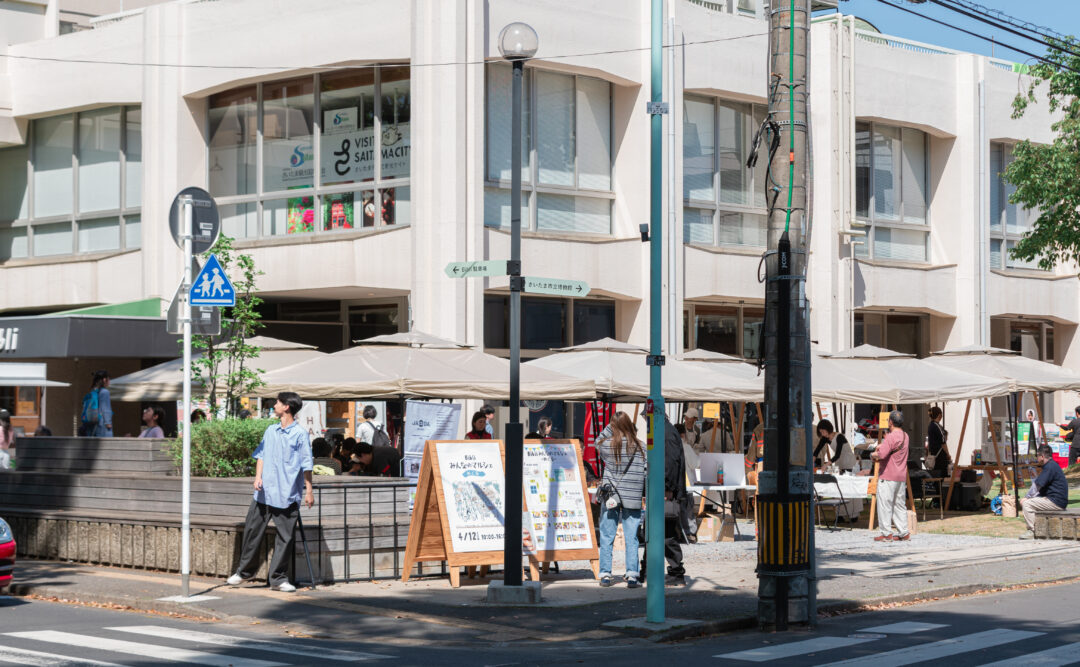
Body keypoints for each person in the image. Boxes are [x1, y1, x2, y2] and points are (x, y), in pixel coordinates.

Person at [226, 392, 314, 593]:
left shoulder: (300, 434)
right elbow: (261, 456)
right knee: (252, 531)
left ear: (287, 407)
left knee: (285, 538)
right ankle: (244, 573)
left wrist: (309, 491)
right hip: (264, 493)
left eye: (278, 402)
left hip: (287, 493)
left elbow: (306, 464)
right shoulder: (270, 430)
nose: (274, 405)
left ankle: (278, 579)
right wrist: (258, 477)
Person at [594, 411, 646, 588]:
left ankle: (605, 574)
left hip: (611, 496)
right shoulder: (641, 446)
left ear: (613, 426)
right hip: (632, 496)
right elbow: (646, 470)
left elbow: (596, 441)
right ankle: (632, 575)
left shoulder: (608, 445)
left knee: (607, 535)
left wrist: (611, 426)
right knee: (632, 537)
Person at [642, 415, 690, 586]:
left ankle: (676, 572)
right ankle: (647, 570)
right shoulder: (666, 431)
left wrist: (667, 488)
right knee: (653, 532)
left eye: (646, 417)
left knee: (666, 534)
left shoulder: (666, 433)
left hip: (665, 491)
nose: (645, 421)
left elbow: (670, 462)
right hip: (662, 489)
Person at [872, 410, 910, 542]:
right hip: (901, 475)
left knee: (884, 504)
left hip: (888, 475)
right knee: (899, 505)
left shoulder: (890, 436)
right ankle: (904, 532)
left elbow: (881, 454)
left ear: (891, 422)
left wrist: (872, 454)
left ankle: (886, 533)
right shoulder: (905, 436)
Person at [1019, 444, 1069, 539]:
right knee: (1031, 501)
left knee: (1027, 504)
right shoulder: (1052, 465)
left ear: (1042, 456)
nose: (1036, 458)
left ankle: (1032, 531)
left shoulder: (1049, 467)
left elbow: (1037, 486)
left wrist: (1026, 497)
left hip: (1055, 501)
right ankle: (1039, 529)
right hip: (1057, 500)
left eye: (1037, 456)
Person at [79, 370, 113, 437]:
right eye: (109, 379)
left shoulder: (93, 392)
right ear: (104, 380)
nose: (109, 382)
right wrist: (108, 423)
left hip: (91, 424)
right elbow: (105, 408)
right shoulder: (105, 392)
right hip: (102, 425)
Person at [925, 406, 951, 479]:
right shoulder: (937, 426)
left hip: (933, 455)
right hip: (940, 456)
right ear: (939, 415)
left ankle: (937, 486)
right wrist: (948, 454)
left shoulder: (930, 425)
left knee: (935, 476)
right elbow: (943, 442)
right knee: (942, 475)